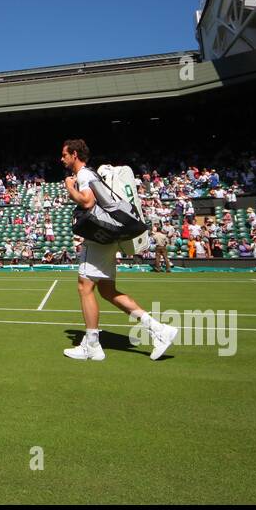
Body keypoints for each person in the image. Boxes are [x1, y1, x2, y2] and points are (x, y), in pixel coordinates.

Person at [59, 140, 178, 362]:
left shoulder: (83, 175)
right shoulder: (90, 174)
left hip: (98, 239)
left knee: (84, 287)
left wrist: (69, 187)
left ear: (74, 154)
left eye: (64, 154)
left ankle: (92, 345)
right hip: (109, 235)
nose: (62, 158)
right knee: (106, 291)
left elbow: (86, 202)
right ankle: (159, 330)